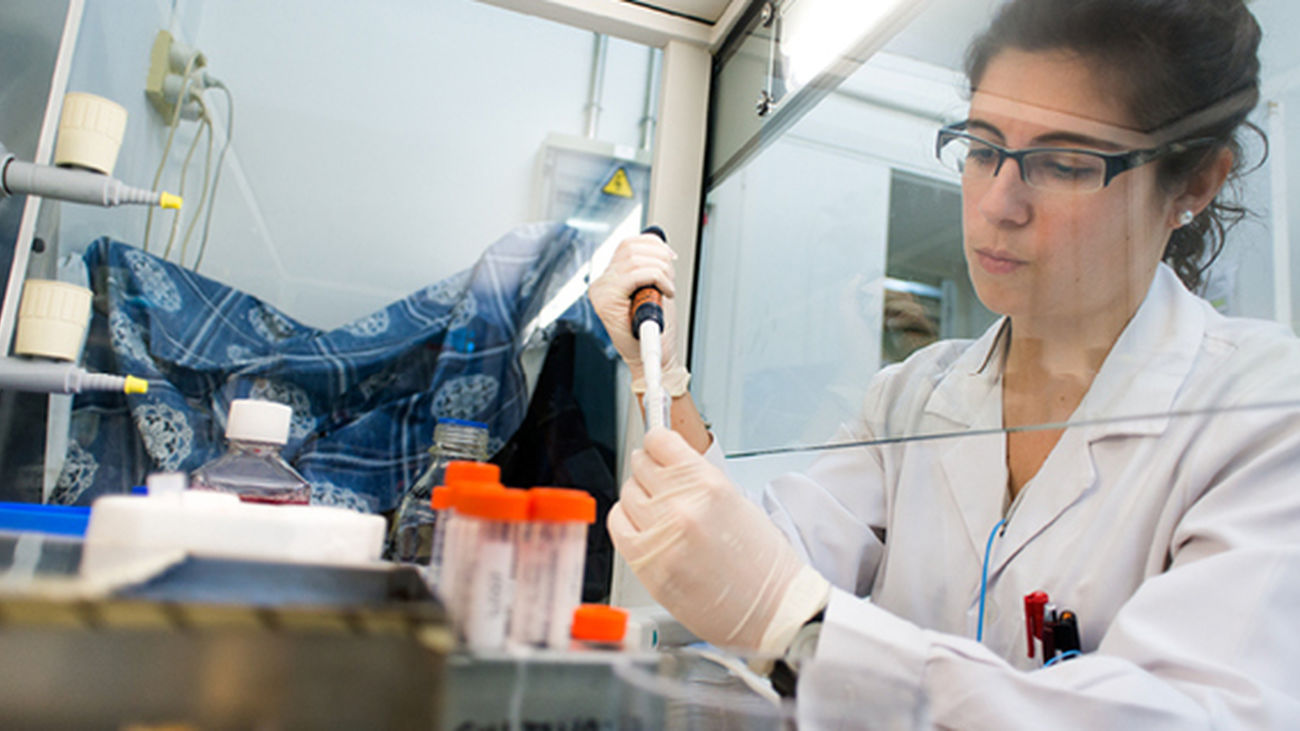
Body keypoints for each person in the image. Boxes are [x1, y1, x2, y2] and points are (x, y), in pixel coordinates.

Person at [587, 0, 1300, 726]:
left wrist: (800, 626)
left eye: (1062, 163)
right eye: (983, 149)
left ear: (1197, 182)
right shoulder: (916, 394)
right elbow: (754, 560)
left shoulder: (1265, 414)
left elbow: (1192, 714)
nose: (998, 203)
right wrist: (660, 372)